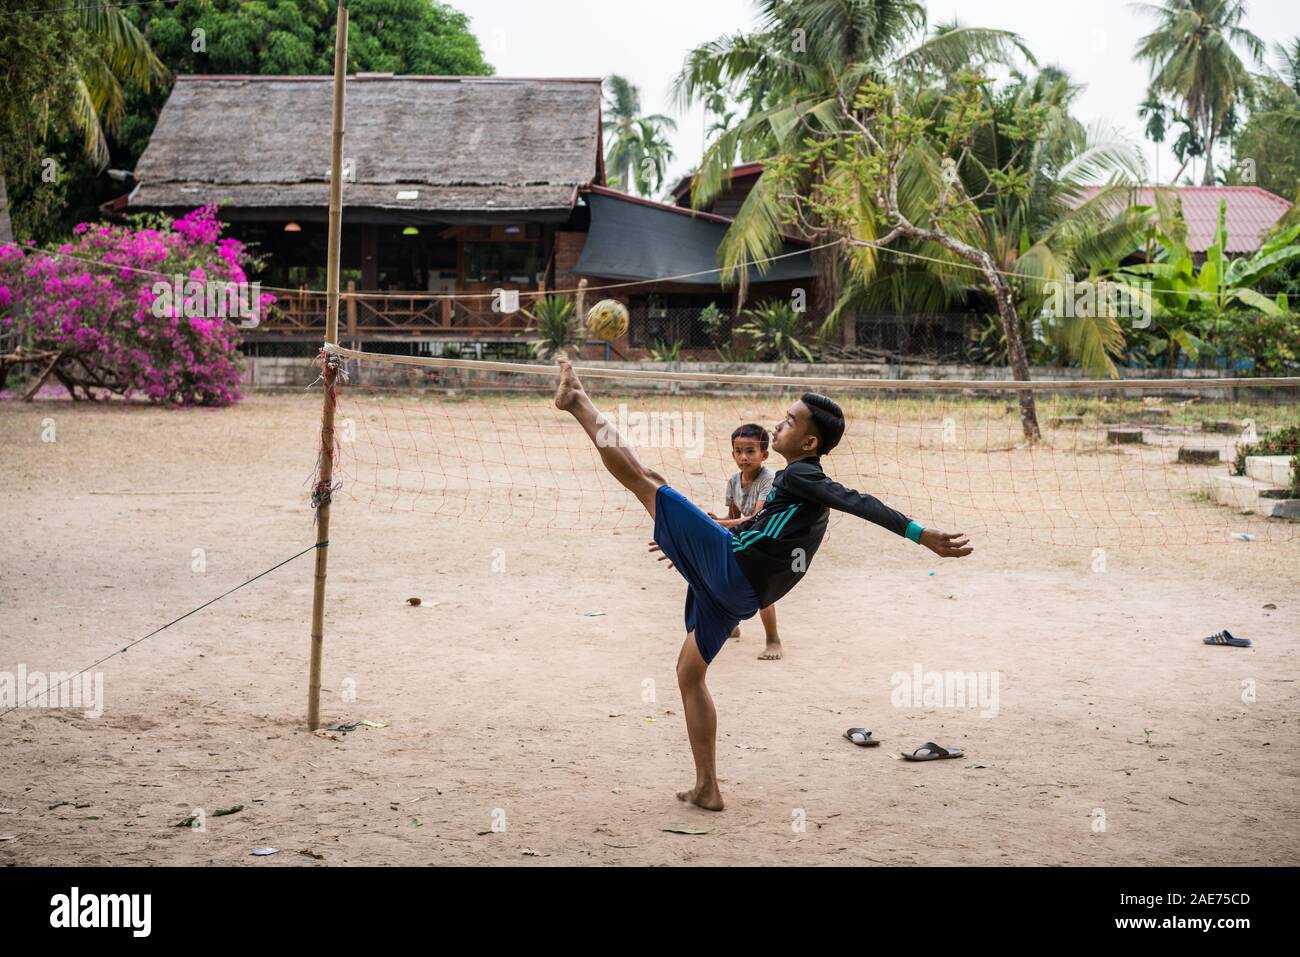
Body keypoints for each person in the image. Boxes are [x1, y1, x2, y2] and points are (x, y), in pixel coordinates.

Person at [553, 356, 972, 811]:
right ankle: (707, 788)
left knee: (646, 480)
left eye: (790, 421)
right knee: (689, 674)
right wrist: (705, 543)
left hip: (733, 572)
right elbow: (765, 525)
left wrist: (920, 534)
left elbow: (861, 502)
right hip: (742, 591)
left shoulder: (804, 474)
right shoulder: (792, 483)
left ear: (810, 441)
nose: (779, 424)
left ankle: (577, 401)